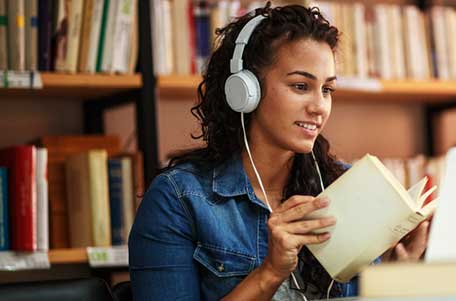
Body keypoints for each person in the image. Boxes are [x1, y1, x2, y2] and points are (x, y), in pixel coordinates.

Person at [129, 4, 429, 301]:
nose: (319, 107)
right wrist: (270, 272)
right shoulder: (178, 199)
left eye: (327, 90)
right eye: (301, 86)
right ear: (245, 91)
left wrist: (394, 276)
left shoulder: (344, 185)